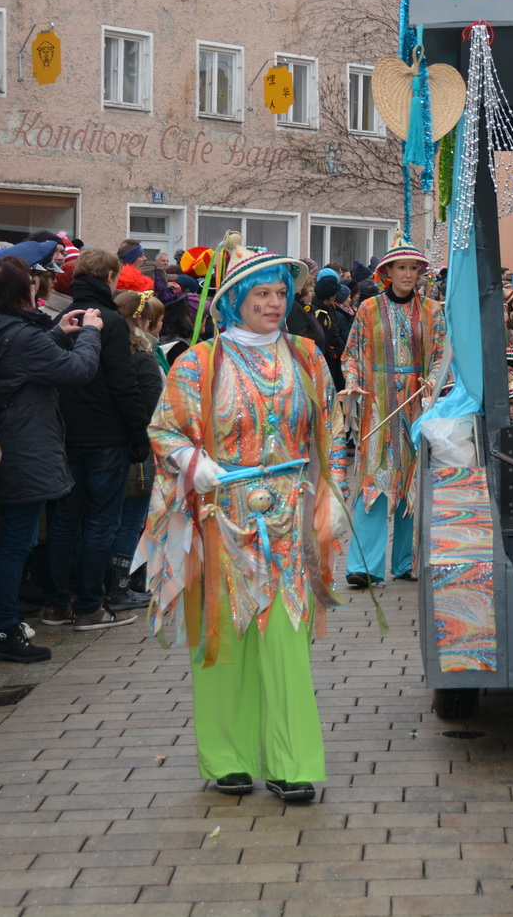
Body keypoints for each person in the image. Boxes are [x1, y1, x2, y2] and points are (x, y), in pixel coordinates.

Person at [141, 245, 346, 801]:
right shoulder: (199, 361)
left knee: (285, 636)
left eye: (281, 293)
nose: (275, 303)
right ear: (234, 299)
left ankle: (291, 761)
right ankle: (227, 758)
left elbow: (329, 429)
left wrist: (330, 497)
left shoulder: (306, 355)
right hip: (220, 516)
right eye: (262, 294)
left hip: (288, 516)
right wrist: (192, 462)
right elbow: (165, 431)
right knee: (223, 634)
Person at [0, 256, 104, 661]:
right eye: (32, 279)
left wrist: (58, 332)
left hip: (6, 445)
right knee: (17, 542)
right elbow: (78, 370)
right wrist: (90, 334)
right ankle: (2, 629)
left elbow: (24, 367)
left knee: (10, 540)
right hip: (26, 449)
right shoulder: (23, 335)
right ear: (22, 289)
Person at [43, 248, 153, 631]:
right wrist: (139, 434)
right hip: (106, 435)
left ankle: (56, 604)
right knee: (101, 522)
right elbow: (123, 384)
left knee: (65, 520)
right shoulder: (110, 321)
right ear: (110, 277)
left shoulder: (61, 318)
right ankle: (90, 605)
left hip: (67, 434)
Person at [342, 238, 446, 588]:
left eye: (413, 268)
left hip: (417, 406)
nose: (407, 274)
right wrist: (353, 382)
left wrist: (433, 380)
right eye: (401, 267)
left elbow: (441, 354)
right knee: (374, 482)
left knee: (413, 482)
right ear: (386, 272)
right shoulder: (368, 309)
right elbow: (352, 354)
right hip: (377, 405)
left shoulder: (433, 310)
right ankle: (364, 567)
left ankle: (407, 561)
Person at [108, 289, 167, 613]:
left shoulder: (117, 352)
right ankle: (121, 585)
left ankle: (125, 581)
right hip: (141, 449)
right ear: (143, 321)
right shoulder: (141, 357)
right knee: (132, 521)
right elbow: (156, 406)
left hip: (126, 444)